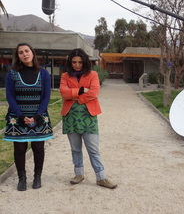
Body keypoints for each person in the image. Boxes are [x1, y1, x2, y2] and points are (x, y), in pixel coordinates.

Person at [60, 48, 117, 189]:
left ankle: (101, 177)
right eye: (74, 62)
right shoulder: (65, 76)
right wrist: (79, 91)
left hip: (89, 117)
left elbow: (94, 92)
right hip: (70, 117)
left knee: (93, 148)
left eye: (80, 62)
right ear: (70, 62)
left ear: (85, 62)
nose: (77, 65)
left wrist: (77, 98)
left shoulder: (93, 75)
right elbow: (63, 92)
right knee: (75, 148)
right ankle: (79, 174)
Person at [4, 43, 54, 191]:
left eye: (27, 51)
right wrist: (20, 116)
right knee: (19, 148)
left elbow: (46, 96)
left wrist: (38, 115)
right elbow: (10, 96)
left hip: (39, 116)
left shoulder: (43, 73)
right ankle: (22, 178)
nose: (24, 54)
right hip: (17, 117)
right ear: (17, 56)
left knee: (38, 147)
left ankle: (37, 177)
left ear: (32, 53)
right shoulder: (12, 73)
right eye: (21, 52)